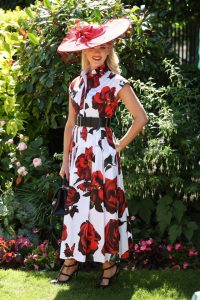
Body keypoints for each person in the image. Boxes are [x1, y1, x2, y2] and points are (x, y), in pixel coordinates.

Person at [51, 18, 148, 288]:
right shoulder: (75, 84)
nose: (98, 52)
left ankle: (109, 264)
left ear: (109, 52)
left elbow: (141, 118)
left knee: (104, 206)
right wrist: (65, 159)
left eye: (104, 48)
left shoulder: (117, 82)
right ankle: (71, 260)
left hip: (103, 152)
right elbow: (71, 123)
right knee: (77, 208)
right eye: (93, 47)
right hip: (79, 151)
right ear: (84, 50)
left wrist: (117, 146)